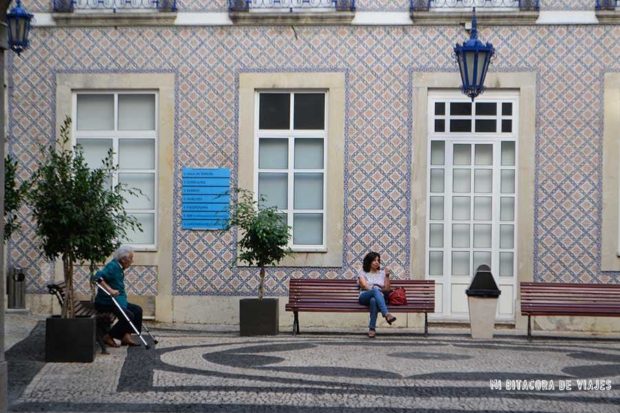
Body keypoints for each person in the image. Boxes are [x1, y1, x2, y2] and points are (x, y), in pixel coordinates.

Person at [92, 245, 143, 347]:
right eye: (131, 258)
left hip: (116, 301)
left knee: (137, 310)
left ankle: (126, 336)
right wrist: (110, 290)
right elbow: (96, 277)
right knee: (128, 315)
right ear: (123, 259)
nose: (132, 261)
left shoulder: (119, 267)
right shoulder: (113, 267)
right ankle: (109, 336)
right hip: (105, 302)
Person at [357, 251, 396, 338]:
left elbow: (386, 289)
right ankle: (386, 314)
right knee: (375, 291)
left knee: (374, 300)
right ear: (369, 262)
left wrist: (387, 276)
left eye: (378, 260)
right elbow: (364, 285)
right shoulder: (363, 272)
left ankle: (372, 329)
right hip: (364, 296)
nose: (377, 262)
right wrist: (376, 290)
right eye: (374, 260)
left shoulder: (382, 273)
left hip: (378, 298)